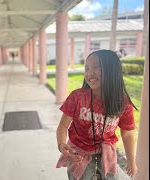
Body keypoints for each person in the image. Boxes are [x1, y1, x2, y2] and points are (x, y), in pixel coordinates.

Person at [56, 49, 137, 180]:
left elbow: (127, 134)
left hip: (107, 156)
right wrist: (61, 145)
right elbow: (63, 125)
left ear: (112, 71)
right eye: (86, 68)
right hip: (78, 155)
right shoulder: (76, 97)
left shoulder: (123, 104)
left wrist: (131, 161)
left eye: (96, 67)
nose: (89, 73)